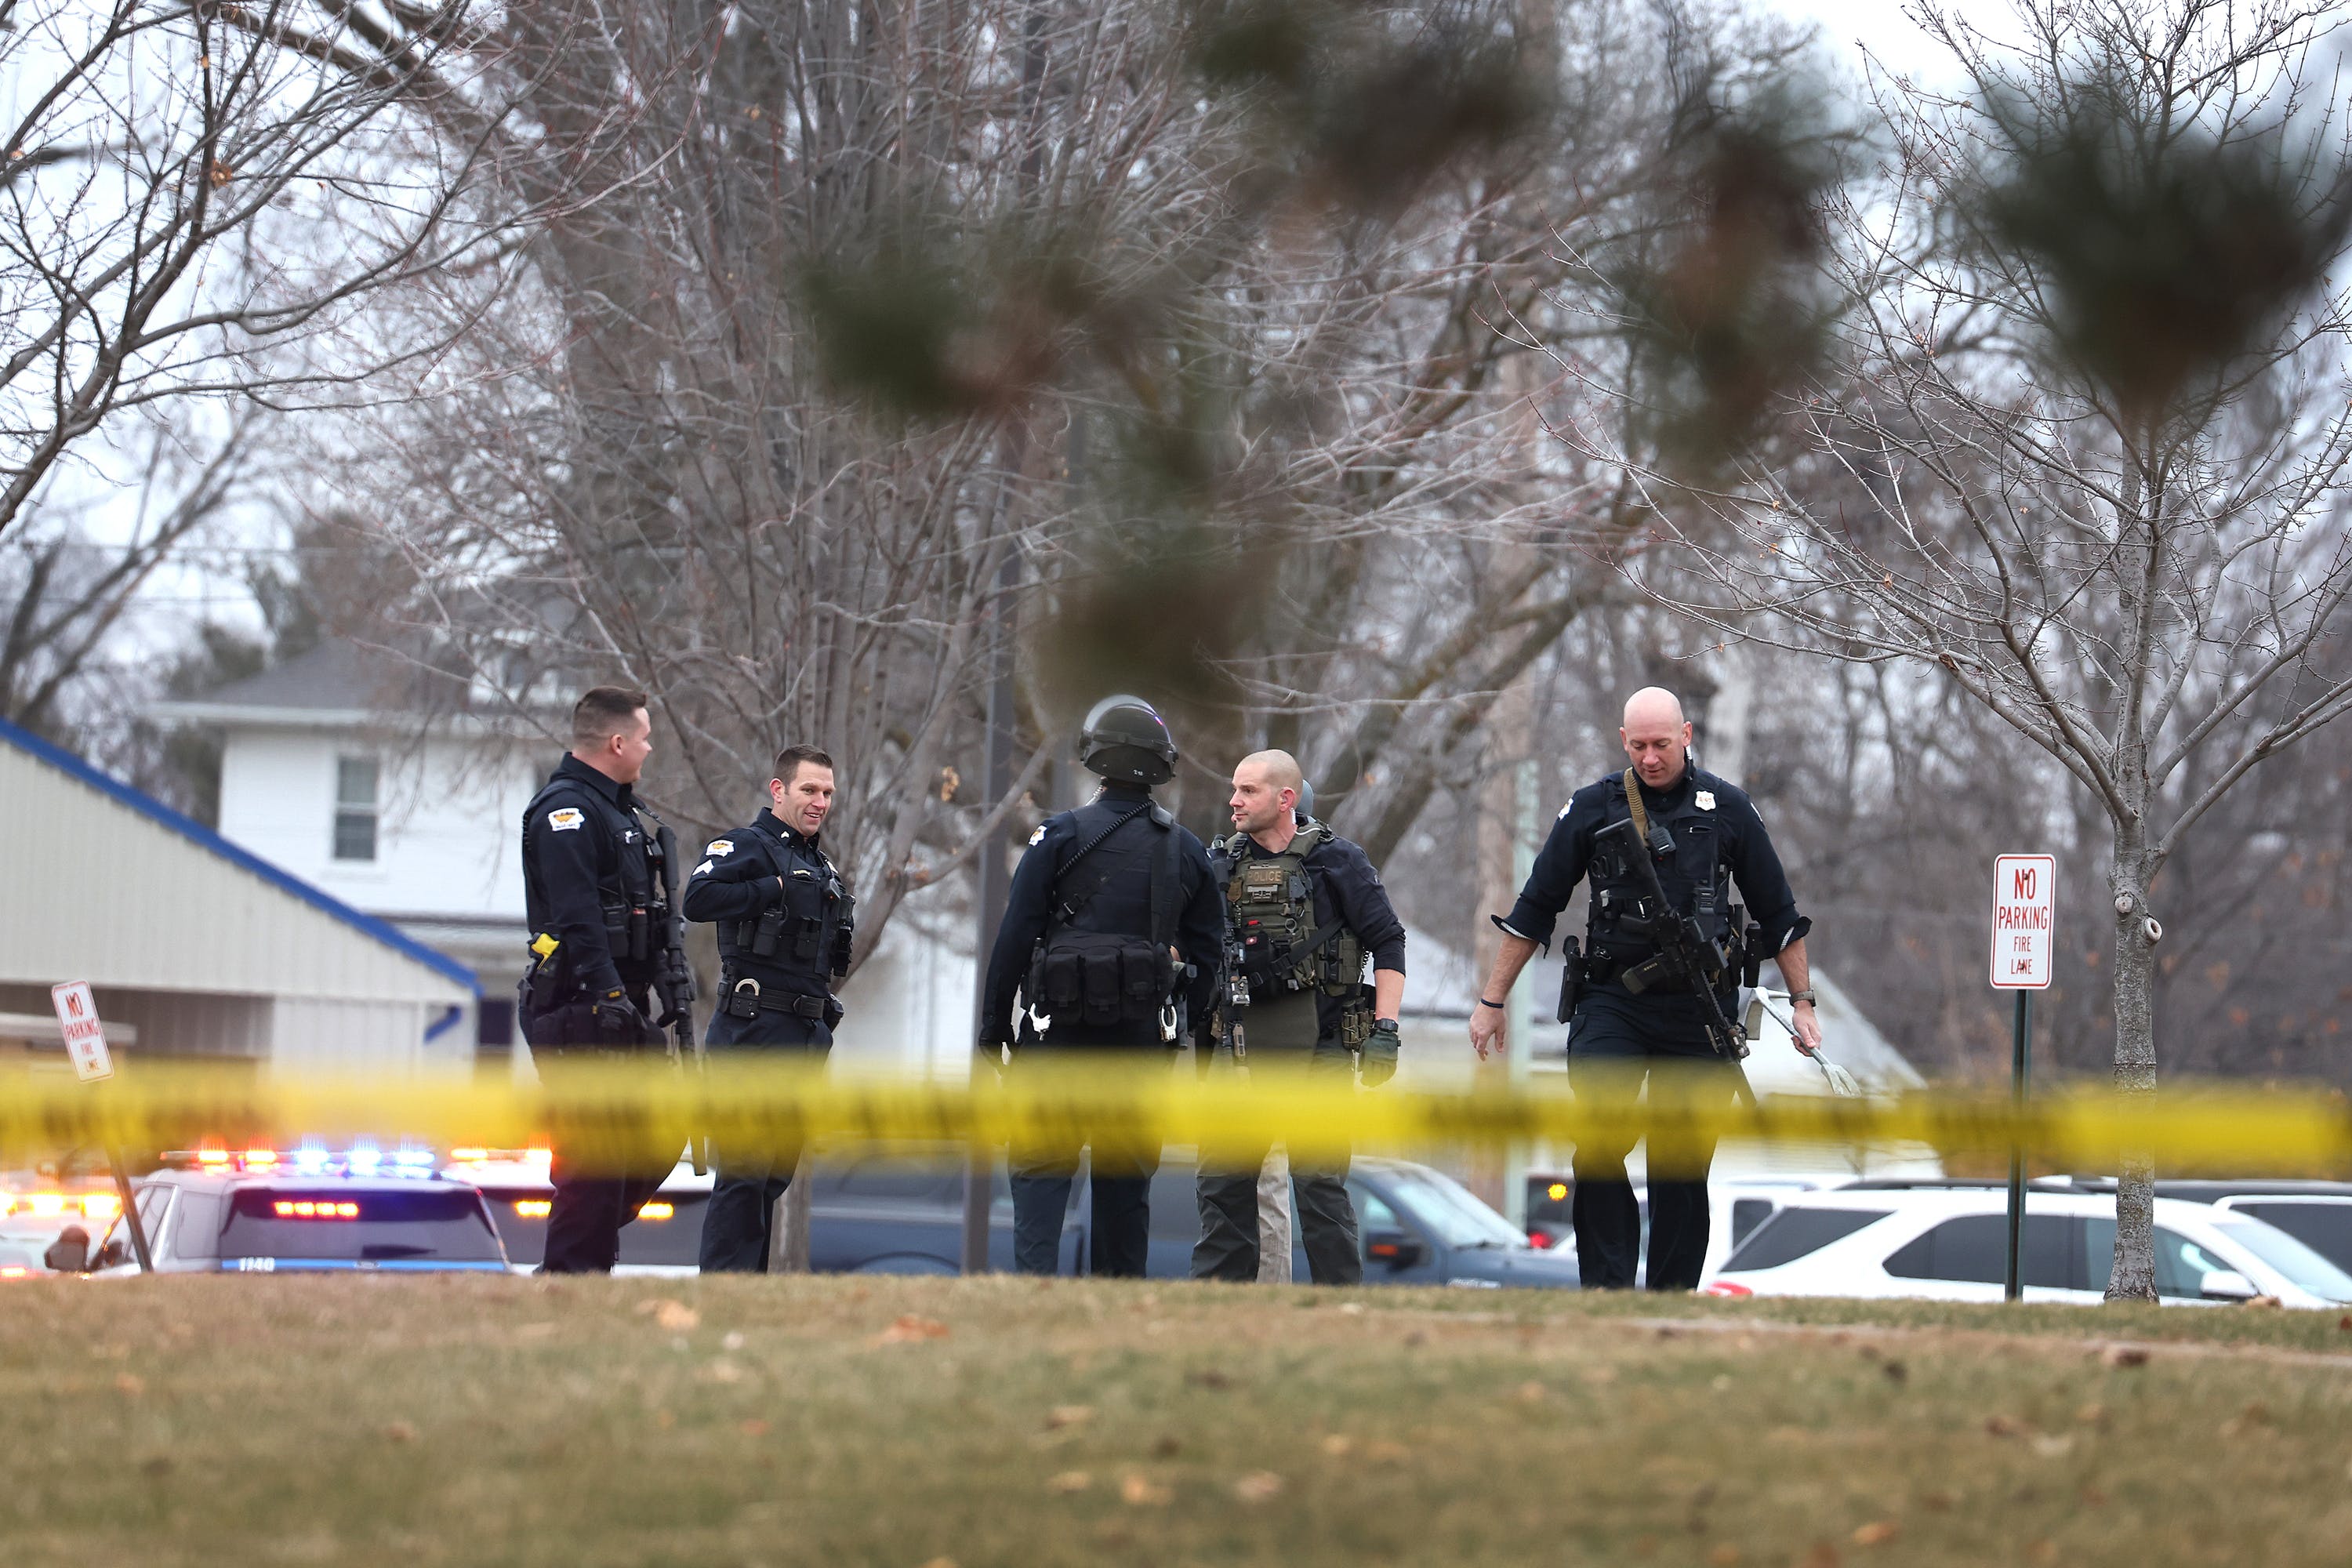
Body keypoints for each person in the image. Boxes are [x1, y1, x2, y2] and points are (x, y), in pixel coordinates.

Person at [1469, 687, 1820, 1291]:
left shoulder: (1728, 809)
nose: (1651, 757)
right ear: (1622, 740)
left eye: (1662, 744)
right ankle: (1606, 1293)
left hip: (1699, 1009)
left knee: (1681, 1165)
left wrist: (1804, 1005)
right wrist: (1491, 1001)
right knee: (1601, 1143)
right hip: (1613, 1001)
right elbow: (1534, 909)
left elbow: (1780, 915)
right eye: (1639, 745)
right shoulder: (1591, 806)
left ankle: (1671, 1298)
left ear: (1686, 734)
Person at [978, 695, 1224, 1277]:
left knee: (1039, 1181)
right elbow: (1210, 955)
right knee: (1124, 1194)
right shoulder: (1185, 849)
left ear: (1095, 755)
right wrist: (1181, 1028)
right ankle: (1117, 1315)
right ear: (1161, 764)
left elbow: (1014, 939)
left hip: (1052, 1040)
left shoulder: (1056, 836)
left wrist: (994, 1028)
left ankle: (1036, 1307)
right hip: (1138, 1049)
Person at [1192, 751, 1406, 1286]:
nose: (1234, 801)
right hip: (1241, 1052)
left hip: (1323, 1048)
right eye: (1234, 789)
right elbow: (1196, 953)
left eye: (1248, 791)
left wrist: (1386, 1029)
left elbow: (1389, 941)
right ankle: (1218, 1305)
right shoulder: (1219, 865)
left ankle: (1340, 1307)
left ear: (1285, 798)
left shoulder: (1339, 862)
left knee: (1320, 1186)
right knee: (1222, 1184)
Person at [519, 686, 690, 1274]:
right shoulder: (565, 812)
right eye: (643, 737)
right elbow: (577, 916)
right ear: (617, 742)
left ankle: (586, 1249)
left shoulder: (622, 813)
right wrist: (608, 992)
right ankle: (571, 1277)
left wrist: (664, 984)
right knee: (591, 1159)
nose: (649, 747)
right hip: (579, 1006)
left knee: (658, 1134)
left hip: (624, 1009)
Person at [682, 744, 854, 1272]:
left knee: (775, 1174)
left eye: (827, 792)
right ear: (778, 790)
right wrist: (773, 887)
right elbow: (697, 898)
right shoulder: (747, 847)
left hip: (803, 1033)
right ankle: (724, 1294)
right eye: (809, 790)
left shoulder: (820, 865)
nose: (820, 801)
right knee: (745, 1173)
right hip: (752, 1028)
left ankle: (749, 1291)